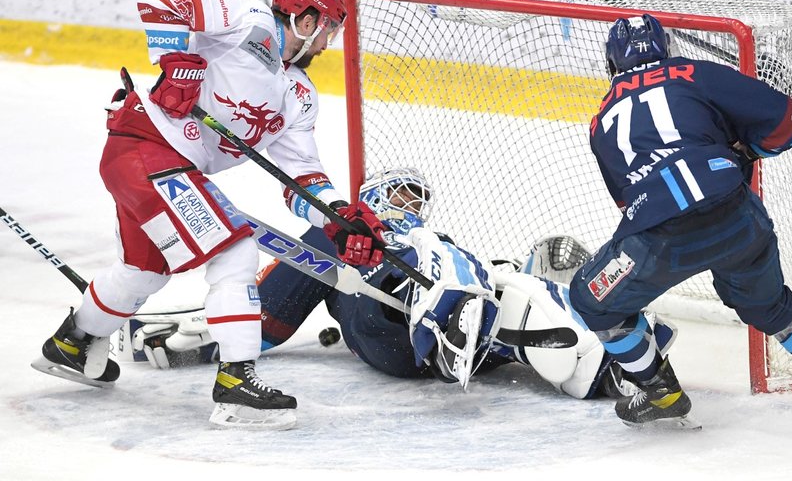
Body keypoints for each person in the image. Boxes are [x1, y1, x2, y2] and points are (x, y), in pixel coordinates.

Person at [31, 0, 388, 430]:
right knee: (236, 249)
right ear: (307, 19)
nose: (327, 44)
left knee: (143, 270)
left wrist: (337, 216)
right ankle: (237, 384)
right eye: (329, 30)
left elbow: (302, 176)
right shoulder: (249, 20)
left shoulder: (300, 95)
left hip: (159, 162)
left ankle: (73, 345)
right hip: (146, 145)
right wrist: (173, 59)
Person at [567, 14, 792, 429]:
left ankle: (659, 392)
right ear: (666, 50)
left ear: (611, 65)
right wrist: (742, 152)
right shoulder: (695, 72)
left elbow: (628, 202)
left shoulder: (600, 120)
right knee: (773, 308)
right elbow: (787, 125)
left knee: (591, 300)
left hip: (661, 238)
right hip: (738, 216)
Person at [128, 168, 677, 400]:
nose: (411, 207)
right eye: (400, 195)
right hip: (384, 328)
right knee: (321, 245)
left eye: (418, 199)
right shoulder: (345, 238)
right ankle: (445, 319)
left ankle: (607, 363)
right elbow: (275, 315)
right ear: (371, 197)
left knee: (519, 290)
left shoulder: (436, 239)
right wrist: (204, 338)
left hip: (454, 339)